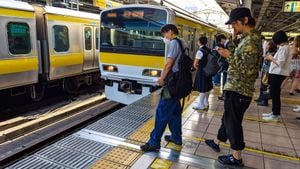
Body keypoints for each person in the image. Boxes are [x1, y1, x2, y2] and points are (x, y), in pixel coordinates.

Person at [204, 7, 262, 166]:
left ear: (245, 20)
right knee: (228, 119)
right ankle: (217, 141)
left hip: (239, 89)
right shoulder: (247, 38)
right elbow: (239, 56)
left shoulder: (251, 42)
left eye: (235, 24)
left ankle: (237, 157)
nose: (233, 27)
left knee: (233, 123)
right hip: (236, 88)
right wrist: (233, 41)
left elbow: (249, 70)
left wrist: (228, 56)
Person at [140, 24, 187, 152]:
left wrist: (161, 78)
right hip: (180, 84)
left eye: (164, 34)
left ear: (170, 31)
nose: (164, 37)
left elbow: (169, 64)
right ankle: (177, 137)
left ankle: (154, 142)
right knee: (175, 113)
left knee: (162, 112)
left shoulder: (173, 43)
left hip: (172, 85)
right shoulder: (183, 41)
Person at [262, 31, 291, 122]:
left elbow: (280, 63)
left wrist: (271, 58)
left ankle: (275, 115)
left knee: (275, 95)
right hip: (277, 73)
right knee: (275, 94)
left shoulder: (284, 48)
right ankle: (274, 112)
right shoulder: (284, 47)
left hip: (278, 73)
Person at [192, 36, 213, 110]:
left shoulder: (200, 51)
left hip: (202, 71)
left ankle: (200, 105)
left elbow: (195, 64)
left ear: (199, 42)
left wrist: (198, 68)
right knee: (207, 87)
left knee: (202, 88)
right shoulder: (209, 50)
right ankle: (206, 103)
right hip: (209, 71)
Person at [257, 41, 278, 106]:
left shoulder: (273, 53)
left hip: (268, 72)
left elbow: (271, 60)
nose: (266, 45)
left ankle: (264, 101)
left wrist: (267, 57)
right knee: (262, 86)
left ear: (270, 45)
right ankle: (260, 98)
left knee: (265, 86)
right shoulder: (268, 52)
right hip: (265, 71)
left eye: (267, 44)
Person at [214, 34, 229, 101]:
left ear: (222, 39)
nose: (220, 43)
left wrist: (219, 49)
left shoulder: (228, 44)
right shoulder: (227, 44)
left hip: (227, 66)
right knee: (225, 80)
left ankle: (225, 95)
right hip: (226, 66)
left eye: (220, 42)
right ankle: (224, 95)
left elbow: (226, 54)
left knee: (226, 81)